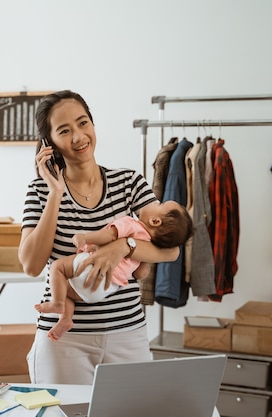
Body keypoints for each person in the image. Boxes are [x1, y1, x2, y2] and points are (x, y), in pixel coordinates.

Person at [18, 90, 181, 385]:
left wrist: (124, 246)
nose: (78, 136)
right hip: (64, 340)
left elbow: (171, 251)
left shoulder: (129, 182)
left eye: (83, 124)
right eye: (64, 130)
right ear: (49, 143)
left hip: (127, 334)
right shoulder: (39, 190)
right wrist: (55, 193)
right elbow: (31, 265)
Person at [34, 201, 192, 341]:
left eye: (159, 205)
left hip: (92, 268)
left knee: (57, 268)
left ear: (155, 221)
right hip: (106, 288)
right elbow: (141, 273)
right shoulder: (146, 246)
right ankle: (66, 319)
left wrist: (85, 238)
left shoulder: (131, 224)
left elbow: (108, 235)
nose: (154, 202)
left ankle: (58, 303)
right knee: (68, 291)